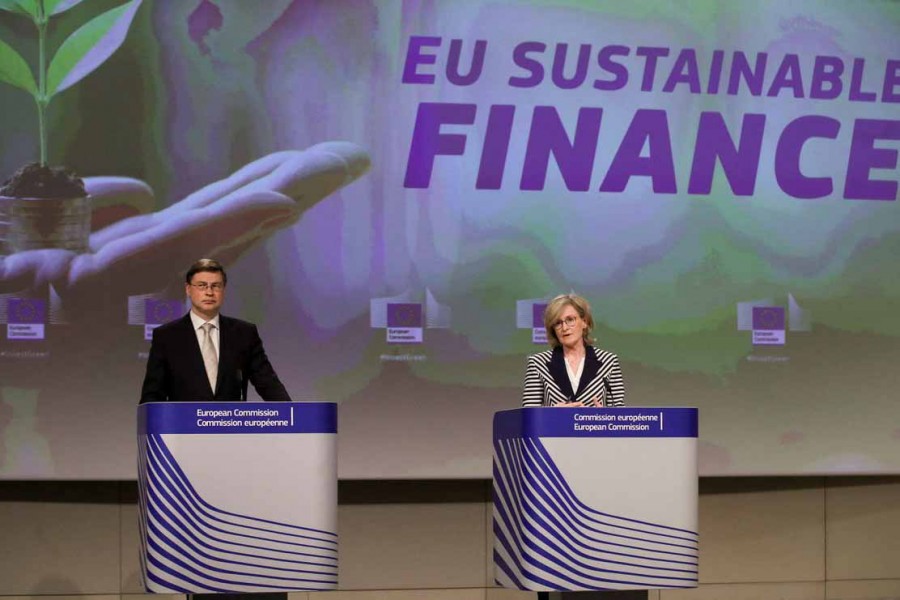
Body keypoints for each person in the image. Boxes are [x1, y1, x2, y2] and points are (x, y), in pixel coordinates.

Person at [139, 258, 291, 403]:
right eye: (202, 285)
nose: (209, 292)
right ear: (188, 289)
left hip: (231, 426)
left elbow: (268, 384)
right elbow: (152, 395)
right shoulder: (167, 337)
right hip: (184, 427)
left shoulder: (244, 333)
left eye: (216, 286)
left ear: (223, 290)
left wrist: (294, 414)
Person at [522, 293, 625, 407]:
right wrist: (552, 413)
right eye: (558, 323)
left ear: (584, 321)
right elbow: (529, 415)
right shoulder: (538, 363)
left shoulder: (609, 361)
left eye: (570, 320)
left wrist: (604, 417)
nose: (564, 328)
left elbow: (618, 415)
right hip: (556, 425)